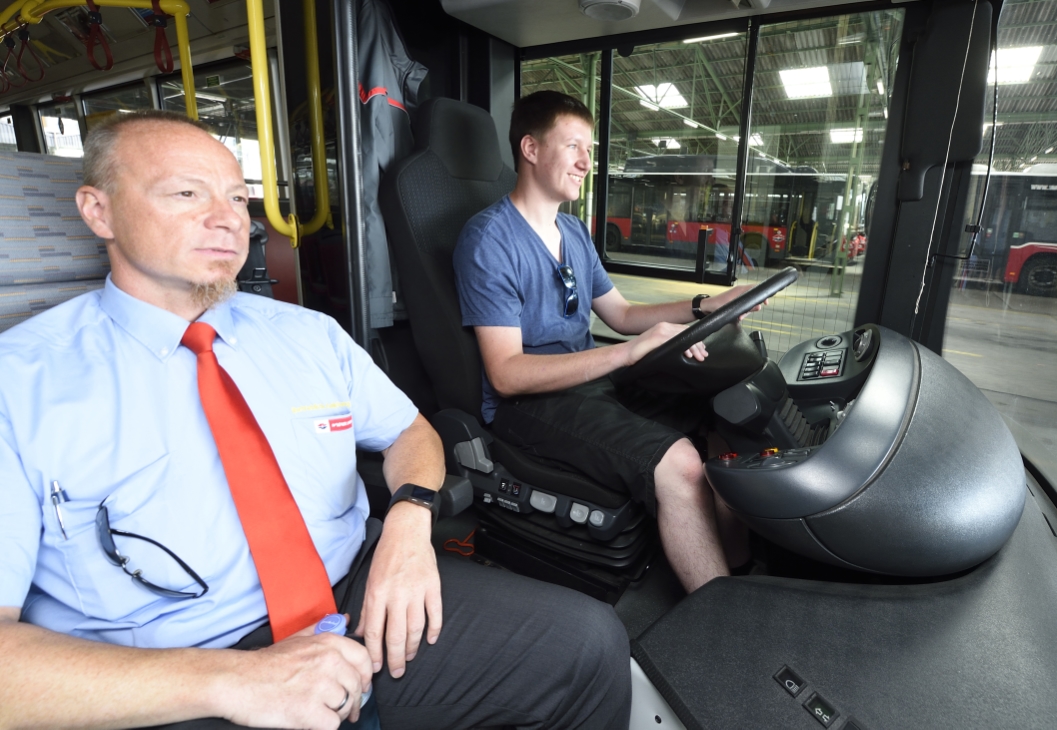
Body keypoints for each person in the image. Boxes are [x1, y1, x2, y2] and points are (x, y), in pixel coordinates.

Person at [0, 110, 630, 730]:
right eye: (185, 194)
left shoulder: (309, 335)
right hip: (170, 672)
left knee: (590, 644)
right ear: (97, 211)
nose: (227, 220)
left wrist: (408, 525)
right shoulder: (18, 381)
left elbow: (411, 432)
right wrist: (232, 681)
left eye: (237, 198)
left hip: (356, 598)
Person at [454, 91, 775, 594]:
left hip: (591, 382)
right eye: (573, 146)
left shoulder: (573, 232)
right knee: (682, 465)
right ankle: (719, 622)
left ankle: (735, 569)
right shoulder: (489, 240)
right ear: (531, 149)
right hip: (530, 404)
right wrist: (629, 353)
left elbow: (622, 314)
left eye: (590, 149)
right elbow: (507, 374)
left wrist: (703, 305)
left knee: (719, 416)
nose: (586, 162)